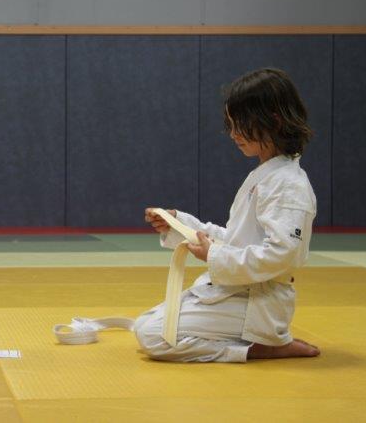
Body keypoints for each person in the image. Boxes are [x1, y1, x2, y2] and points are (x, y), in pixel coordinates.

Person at [135, 68, 320, 362]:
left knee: (154, 336)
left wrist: (213, 255)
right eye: (231, 125)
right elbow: (236, 240)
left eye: (240, 125)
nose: (233, 134)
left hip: (257, 302)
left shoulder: (289, 184)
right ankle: (259, 342)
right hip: (237, 292)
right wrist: (179, 224)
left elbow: (282, 255)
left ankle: (258, 346)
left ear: (273, 121)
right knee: (144, 323)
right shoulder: (266, 175)